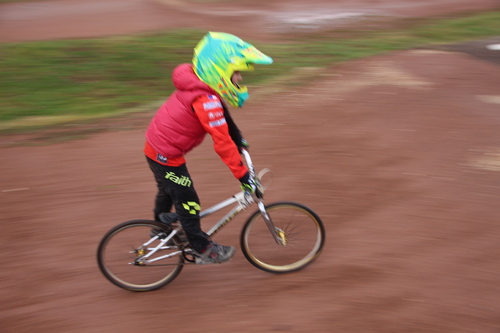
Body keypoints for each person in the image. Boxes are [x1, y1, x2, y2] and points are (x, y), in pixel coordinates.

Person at [144, 32, 273, 265]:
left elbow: (223, 117)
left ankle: (161, 228)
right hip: (166, 156)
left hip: (155, 148)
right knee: (188, 201)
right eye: (236, 73)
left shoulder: (201, 88)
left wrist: (239, 138)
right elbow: (221, 143)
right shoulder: (206, 101)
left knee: (167, 190)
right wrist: (243, 176)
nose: (240, 78)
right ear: (220, 71)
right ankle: (201, 248)